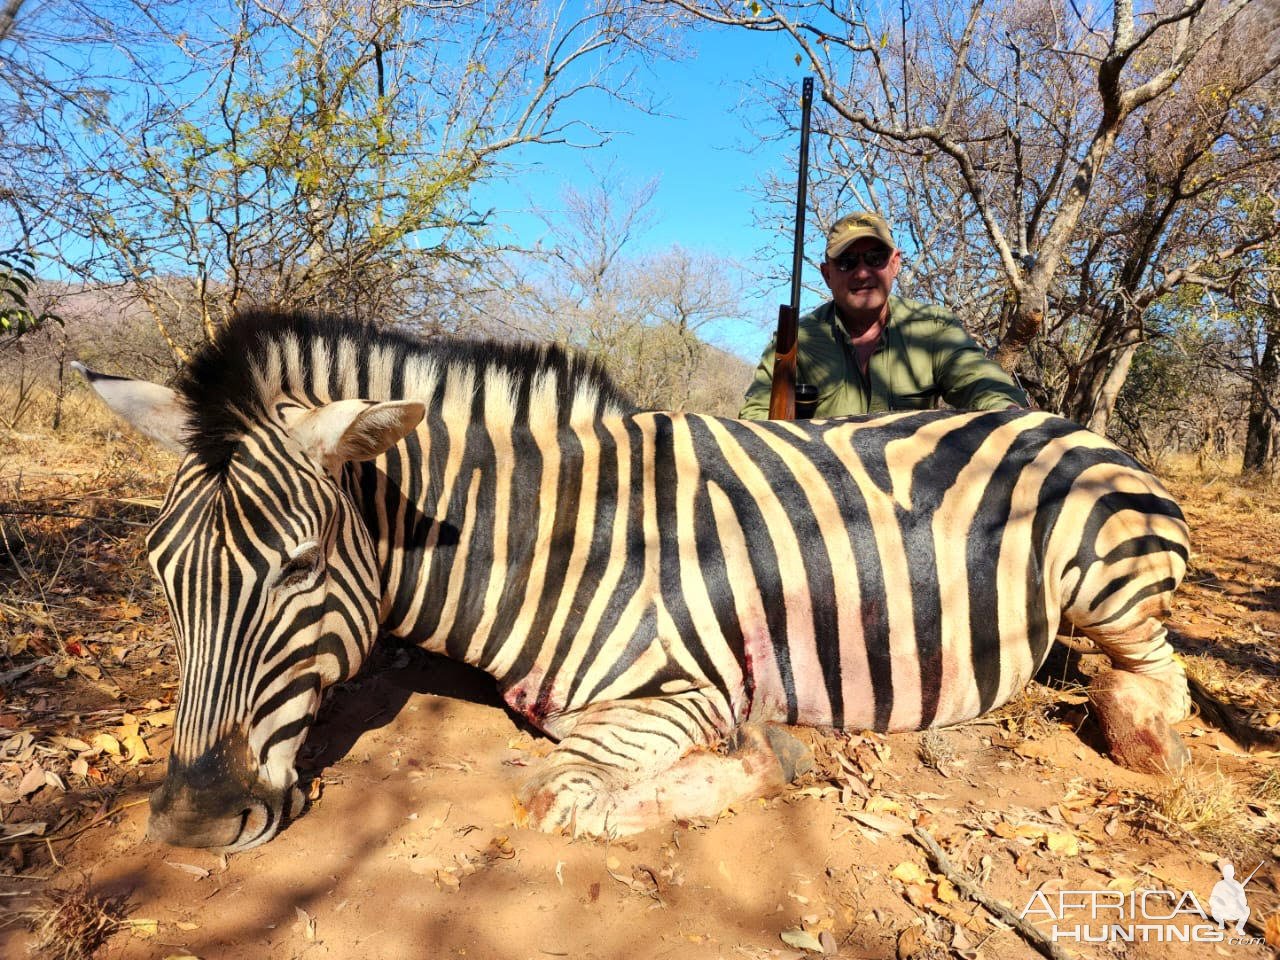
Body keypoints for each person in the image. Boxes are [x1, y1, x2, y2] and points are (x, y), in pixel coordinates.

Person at [739, 211, 1027, 420]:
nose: (862, 272)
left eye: (875, 259)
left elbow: (981, 382)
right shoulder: (796, 342)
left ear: (894, 264)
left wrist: (1010, 413)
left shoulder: (933, 328)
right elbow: (755, 417)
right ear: (827, 275)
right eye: (847, 262)